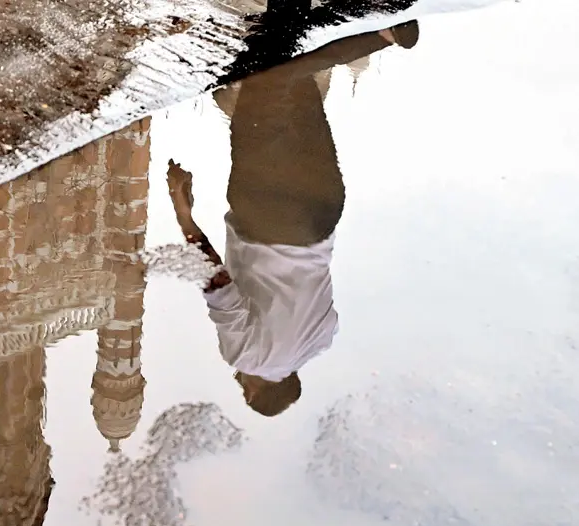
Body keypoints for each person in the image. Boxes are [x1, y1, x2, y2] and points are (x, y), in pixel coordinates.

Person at [168, 21, 419, 417]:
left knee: (298, 88)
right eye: (244, 390)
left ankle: (312, 22)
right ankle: (385, 38)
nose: (240, 381)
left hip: (322, 212)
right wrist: (184, 213)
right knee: (265, 82)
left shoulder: (323, 339)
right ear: (253, 393)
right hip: (267, 214)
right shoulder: (247, 358)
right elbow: (219, 288)